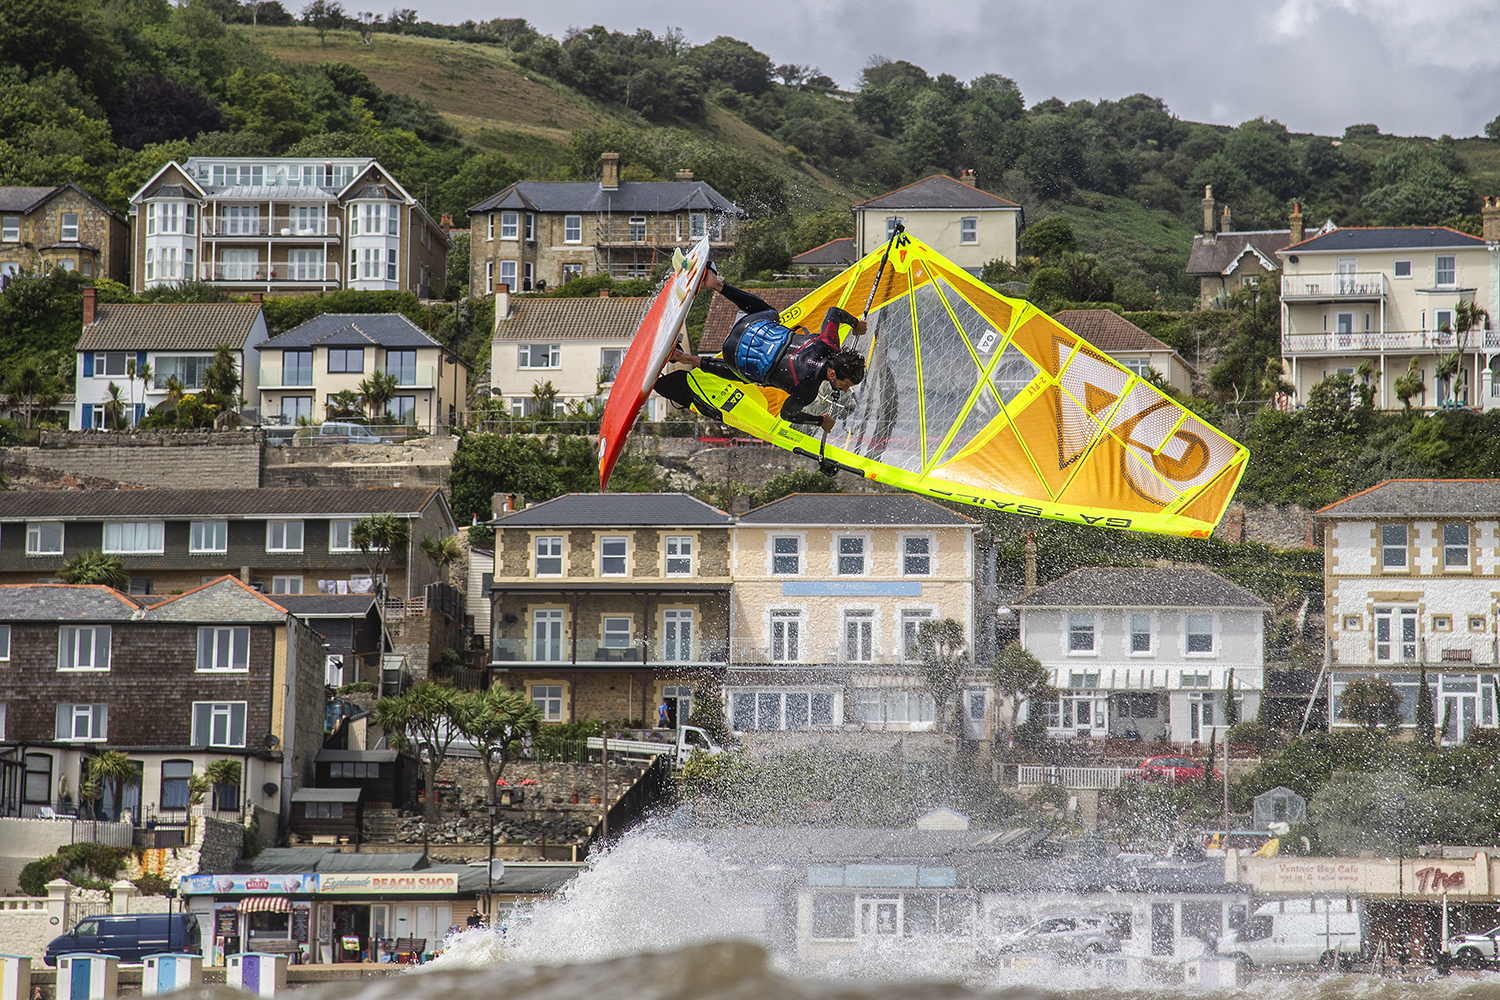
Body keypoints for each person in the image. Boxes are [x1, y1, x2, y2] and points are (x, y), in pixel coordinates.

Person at [654, 269, 867, 430]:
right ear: (832, 373)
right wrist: (820, 421)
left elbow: (834, 312)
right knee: (748, 375)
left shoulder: (829, 343)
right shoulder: (807, 392)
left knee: (770, 312)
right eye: (845, 384)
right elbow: (788, 414)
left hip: (747, 326)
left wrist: (855, 324)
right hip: (731, 356)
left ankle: (717, 285)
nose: (845, 389)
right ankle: (682, 357)